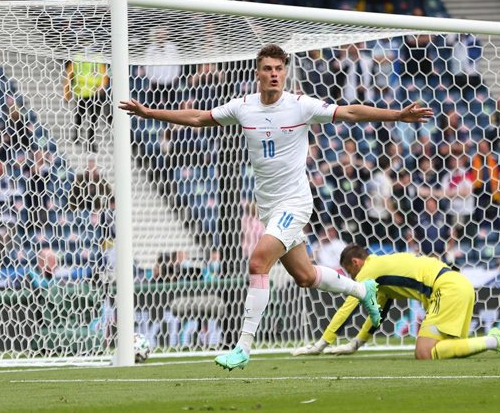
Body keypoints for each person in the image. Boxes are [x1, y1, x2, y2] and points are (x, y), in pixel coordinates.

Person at [119, 43, 434, 370]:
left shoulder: (300, 105)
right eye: (268, 69)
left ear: (285, 72)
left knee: (257, 262)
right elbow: (199, 117)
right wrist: (151, 113)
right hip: (269, 207)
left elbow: (350, 112)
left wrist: (397, 115)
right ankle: (363, 289)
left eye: (279, 69)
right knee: (305, 276)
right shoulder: (243, 107)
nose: (273, 75)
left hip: (295, 202)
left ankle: (242, 348)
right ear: (258, 72)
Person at [292, 244, 500, 359]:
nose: (353, 279)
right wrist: (356, 343)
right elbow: (377, 314)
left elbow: (348, 306)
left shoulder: (370, 270)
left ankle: (495, 339)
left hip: (445, 289)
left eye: (350, 273)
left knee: (424, 353)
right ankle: (494, 340)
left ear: (356, 263)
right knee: (447, 351)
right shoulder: (382, 277)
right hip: (459, 286)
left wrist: (321, 344)